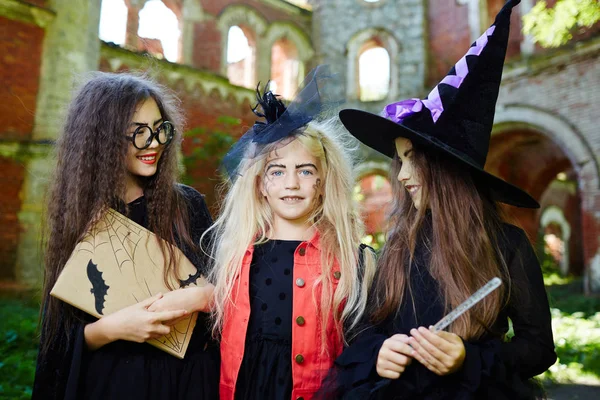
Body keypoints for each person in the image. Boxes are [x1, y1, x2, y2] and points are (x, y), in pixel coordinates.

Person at [323, 1, 556, 398]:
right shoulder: (398, 243)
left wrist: (470, 358)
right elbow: (366, 328)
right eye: (399, 160)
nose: (404, 174)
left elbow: (538, 349)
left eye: (414, 159)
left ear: (448, 170)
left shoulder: (508, 246)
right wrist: (380, 352)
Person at [33, 72, 219, 400]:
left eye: (160, 129)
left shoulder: (186, 205)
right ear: (100, 138)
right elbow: (56, 346)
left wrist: (202, 297)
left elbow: (229, 294)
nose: (154, 143)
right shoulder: (78, 217)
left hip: (185, 382)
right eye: (137, 133)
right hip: (111, 382)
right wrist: (112, 329)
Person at [206, 66, 376, 400]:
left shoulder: (351, 261)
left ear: (323, 182)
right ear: (260, 184)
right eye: (277, 171)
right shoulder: (234, 254)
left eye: (305, 171)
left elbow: (361, 353)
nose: (292, 183)